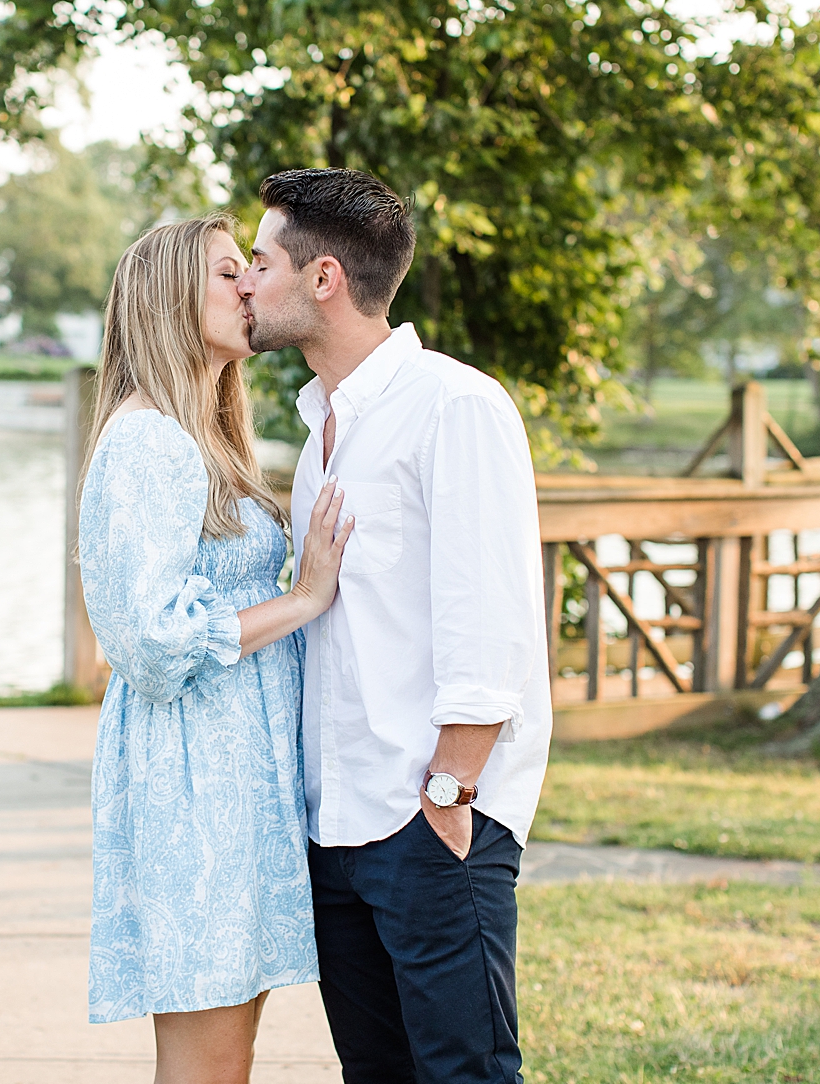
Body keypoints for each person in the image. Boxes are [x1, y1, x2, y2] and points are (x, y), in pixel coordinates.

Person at [237, 169, 552, 1084]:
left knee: (467, 1075)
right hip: (337, 829)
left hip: (431, 823)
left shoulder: (454, 406)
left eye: (260, 262)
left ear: (323, 279)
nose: (247, 282)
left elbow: (487, 620)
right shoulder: (322, 425)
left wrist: (448, 801)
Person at [78, 212, 355, 1084]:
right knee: (207, 1063)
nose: (250, 287)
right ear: (169, 299)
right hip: (196, 786)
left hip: (233, 780)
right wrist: (302, 596)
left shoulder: (200, 435)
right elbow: (153, 643)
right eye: (229, 272)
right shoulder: (150, 440)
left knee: (225, 1055)